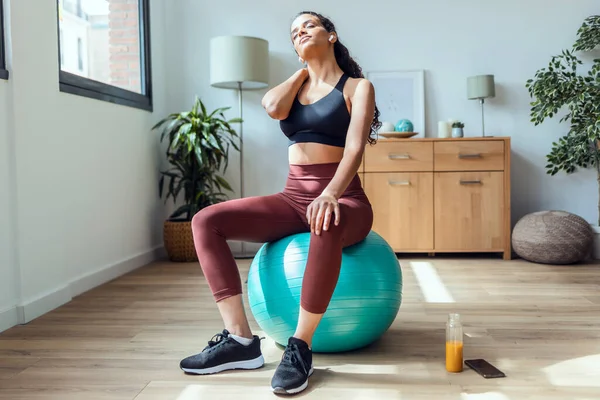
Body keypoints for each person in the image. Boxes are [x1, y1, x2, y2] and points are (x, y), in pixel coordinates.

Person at [179, 10, 381, 395]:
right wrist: (304, 69)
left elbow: (355, 149)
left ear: (332, 35)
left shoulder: (357, 87)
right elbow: (272, 107)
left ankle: (300, 347)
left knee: (325, 221)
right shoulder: (298, 86)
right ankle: (239, 341)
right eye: (293, 33)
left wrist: (330, 194)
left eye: (308, 26)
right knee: (206, 220)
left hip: (343, 198)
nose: (300, 33)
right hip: (292, 197)